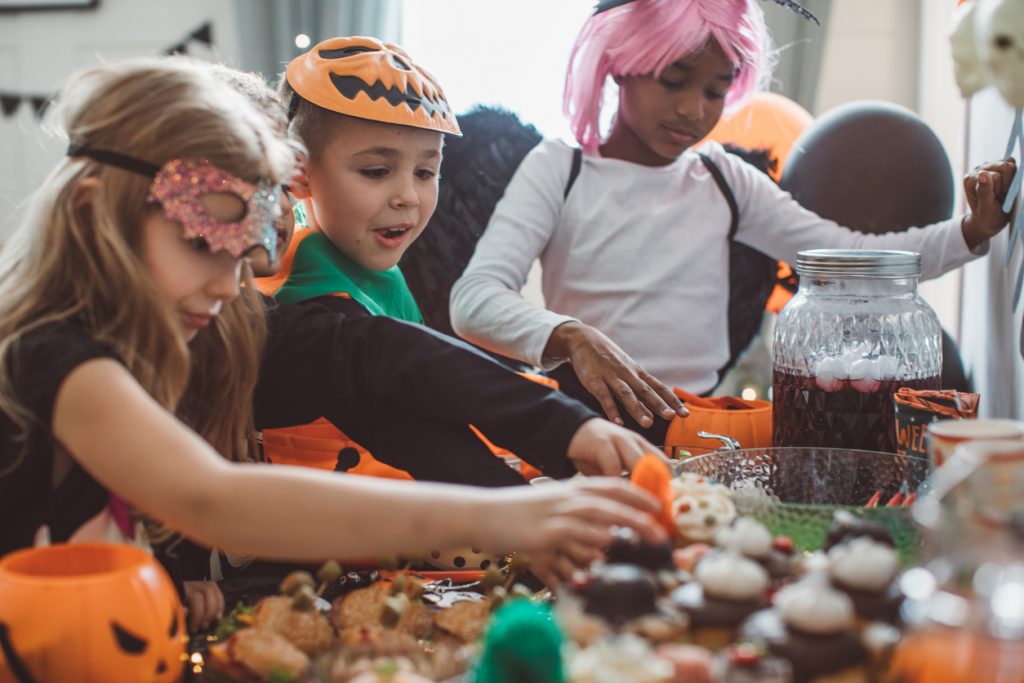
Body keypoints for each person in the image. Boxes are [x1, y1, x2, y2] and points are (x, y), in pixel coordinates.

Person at [0, 58, 667, 629]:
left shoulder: (201, 332)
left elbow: (369, 358)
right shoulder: (52, 356)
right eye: (205, 244)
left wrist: (553, 441)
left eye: (248, 259)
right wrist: (507, 517)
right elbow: (215, 500)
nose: (231, 288)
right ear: (95, 212)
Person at [449, 0, 1016, 443]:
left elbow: (845, 260)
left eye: (716, 91)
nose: (694, 110)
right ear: (620, 66)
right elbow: (473, 299)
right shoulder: (560, 168)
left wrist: (969, 232)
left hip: (703, 429)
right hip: (580, 426)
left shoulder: (725, 180)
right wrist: (568, 336)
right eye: (673, 82)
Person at [257, 36, 594, 483]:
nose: (408, 198)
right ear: (298, 173)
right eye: (376, 171)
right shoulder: (310, 290)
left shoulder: (362, 260)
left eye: (426, 172)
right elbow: (409, 416)